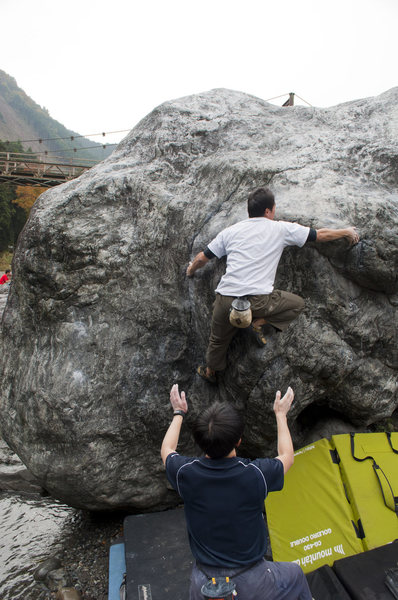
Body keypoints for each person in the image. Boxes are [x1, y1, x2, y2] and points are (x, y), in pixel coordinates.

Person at [186, 187, 360, 383]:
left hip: (226, 299)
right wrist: (345, 232)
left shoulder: (231, 231)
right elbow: (319, 235)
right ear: (268, 211)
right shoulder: (280, 229)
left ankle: (211, 372)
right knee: (297, 304)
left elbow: (202, 257)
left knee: (217, 340)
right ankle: (256, 323)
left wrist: (190, 270)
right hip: (258, 302)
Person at [161, 383, 312, 600]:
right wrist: (281, 414)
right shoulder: (255, 475)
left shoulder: (185, 473)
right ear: (239, 440)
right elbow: (287, 455)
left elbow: (167, 450)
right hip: (252, 580)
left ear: (199, 442)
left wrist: (178, 413)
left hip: (204, 583)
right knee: (295, 574)